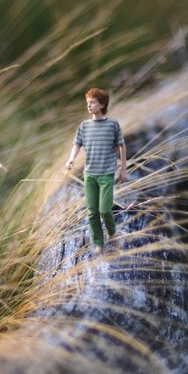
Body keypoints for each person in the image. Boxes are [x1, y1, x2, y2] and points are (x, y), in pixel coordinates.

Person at [65, 88, 127, 254]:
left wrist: (123, 168)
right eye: (88, 103)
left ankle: (113, 233)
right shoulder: (84, 126)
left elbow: (121, 145)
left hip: (106, 173)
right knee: (92, 211)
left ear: (102, 104)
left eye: (92, 102)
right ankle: (99, 242)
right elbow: (77, 144)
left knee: (105, 209)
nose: (89, 106)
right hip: (90, 174)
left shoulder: (112, 125)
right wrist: (71, 158)